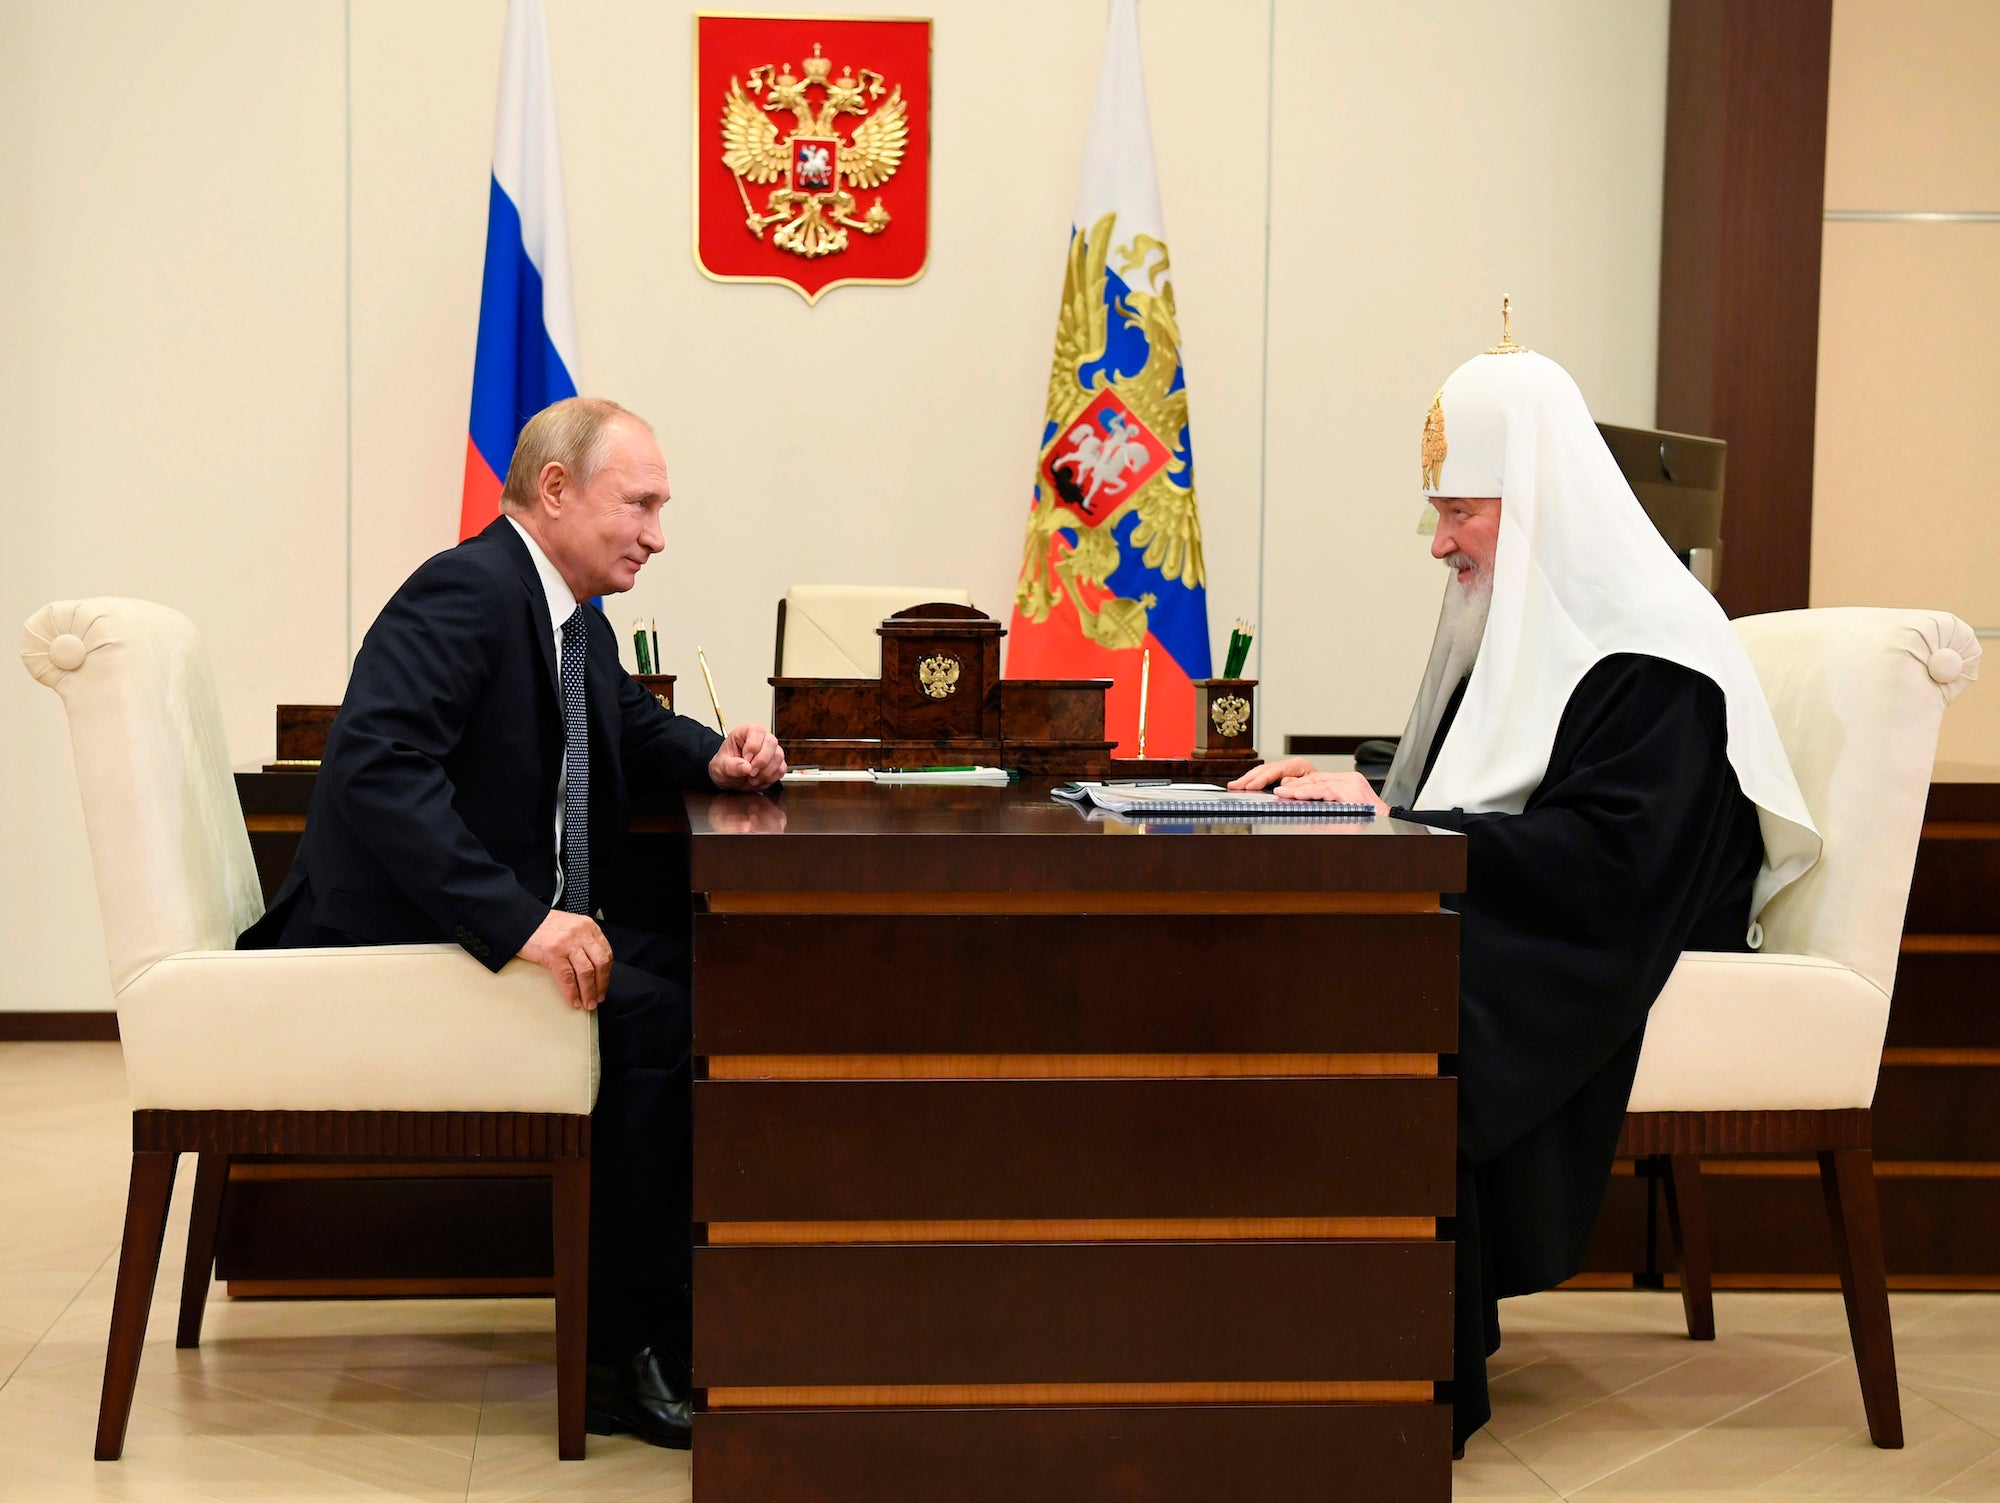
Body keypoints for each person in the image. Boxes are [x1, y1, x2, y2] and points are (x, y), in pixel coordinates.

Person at [1232, 321, 1819, 1453]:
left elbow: (1603, 869)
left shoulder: (1655, 659)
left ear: (1536, 501)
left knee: (1373, 999)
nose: (1439, 544)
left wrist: (1393, 822)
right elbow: (1496, 808)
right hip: (1549, 915)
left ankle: (1383, 1370)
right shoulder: (1538, 629)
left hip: (1610, 938)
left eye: (1459, 511)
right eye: (1436, 510)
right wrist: (1366, 797)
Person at [240, 396, 787, 1449]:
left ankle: (669, 1317)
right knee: (658, 1023)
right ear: (553, 490)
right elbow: (376, 773)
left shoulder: (564, 612)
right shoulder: (464, 589)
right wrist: (524, 923)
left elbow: (627, 717)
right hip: (387, 948)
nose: (656, 534)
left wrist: (715, 755)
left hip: (465, 928)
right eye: (639, 504)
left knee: (714, 982)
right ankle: (616, 1359)